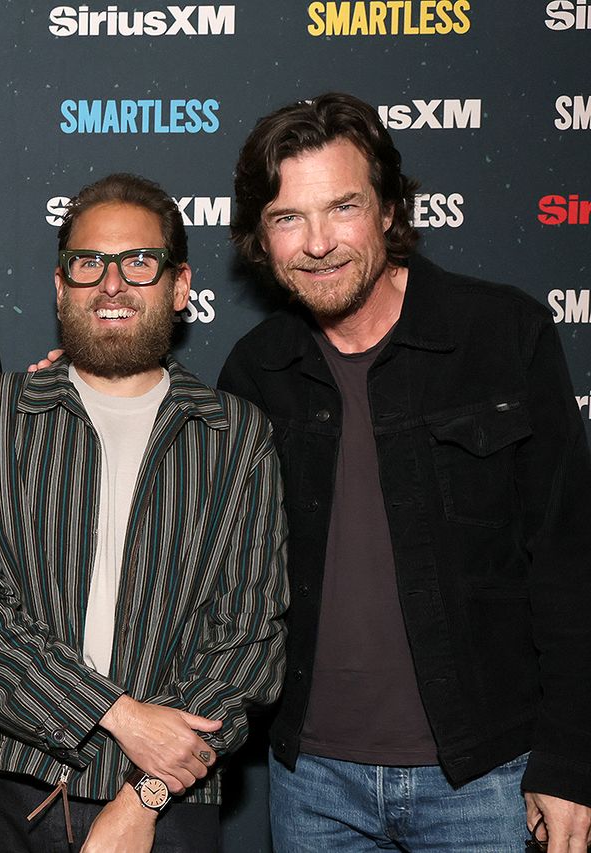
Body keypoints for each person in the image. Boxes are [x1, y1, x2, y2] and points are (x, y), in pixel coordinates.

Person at [217, 92, 591, 853]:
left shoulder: (502, 333)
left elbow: (570, 560)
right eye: (288, 218)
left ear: (388, 209)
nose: (318, 243)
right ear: (261, 236)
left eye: (343, 207)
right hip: (312, 784)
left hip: (489, 775)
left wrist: (572, 757)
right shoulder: (255, 371)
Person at [0, 173, 288, 852]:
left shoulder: (235, 436)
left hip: (172, 793)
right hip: (13, 779)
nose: (111, 283)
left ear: (180, 287)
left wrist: (145, 793)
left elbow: (247, 640)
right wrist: (118, 714)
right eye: (88, 262)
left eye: (139, 262)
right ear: (61, 286)